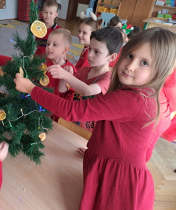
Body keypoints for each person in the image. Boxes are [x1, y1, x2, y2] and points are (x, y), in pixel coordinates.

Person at [14, 27, 176, 209]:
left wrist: (31, 89)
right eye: (130, 56)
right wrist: (98, 151)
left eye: (144, 63)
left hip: (119, 178)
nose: (131, 66)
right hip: (109, 164)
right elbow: (117, 131)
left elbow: (71, 110)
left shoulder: (133, 99)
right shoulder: (138, 91)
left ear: (161, 70)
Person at [49, 27, 123, 132]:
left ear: (111, 57)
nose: (90, 54)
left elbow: (87, 91)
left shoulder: (108, 78)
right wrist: (64, 77)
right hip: (70, 121)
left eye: (97, 51)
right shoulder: (84, 70)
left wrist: (66, 76)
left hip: (88, 131)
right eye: (90, 49)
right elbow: (62, 89)